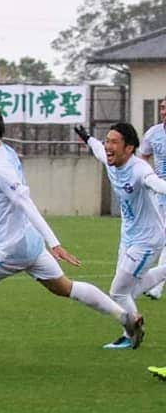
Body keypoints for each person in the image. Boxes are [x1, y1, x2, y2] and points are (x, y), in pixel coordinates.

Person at [0, 103, 141, 363]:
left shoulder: (1, 166)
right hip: (30, 243)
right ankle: (125, 317)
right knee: (65, 287)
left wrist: (55, 243)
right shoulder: (3, 154)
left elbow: (25, 202)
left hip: (13, 248)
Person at [75, 122, 166, 348]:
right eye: (108, 141)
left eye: (114, 142)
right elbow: (97, 148)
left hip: (148, 239)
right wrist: (87, 138)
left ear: (129, 148)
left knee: (117, 292)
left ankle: (131, 334)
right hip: (127, 236)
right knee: (130, 289)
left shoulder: (139, 169)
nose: (108, 146)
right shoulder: (108, 157)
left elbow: (155, 183)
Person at [137, 96, 166, 300]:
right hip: (159, 192)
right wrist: (147, 178)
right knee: (156, 237)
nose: (164, 112)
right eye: (163, 108)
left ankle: (156, 285)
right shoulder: (153, 133)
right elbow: (143, 156)